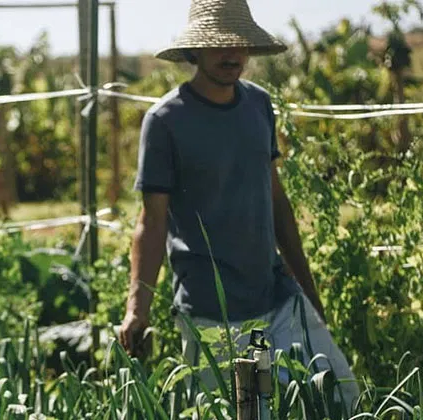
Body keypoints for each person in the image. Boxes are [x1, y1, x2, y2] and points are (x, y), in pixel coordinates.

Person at [116, 0, 360, 412]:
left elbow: (276, 202)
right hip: (217, 315)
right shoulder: (165, 121)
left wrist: (307, 290)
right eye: (218, 45)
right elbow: (152, 222)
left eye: (239, 43)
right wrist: (136, 309)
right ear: (194, 51)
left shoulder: (258, 106)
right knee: (251, 411)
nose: (232, 54)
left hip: (276, 299)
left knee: (340, 398)